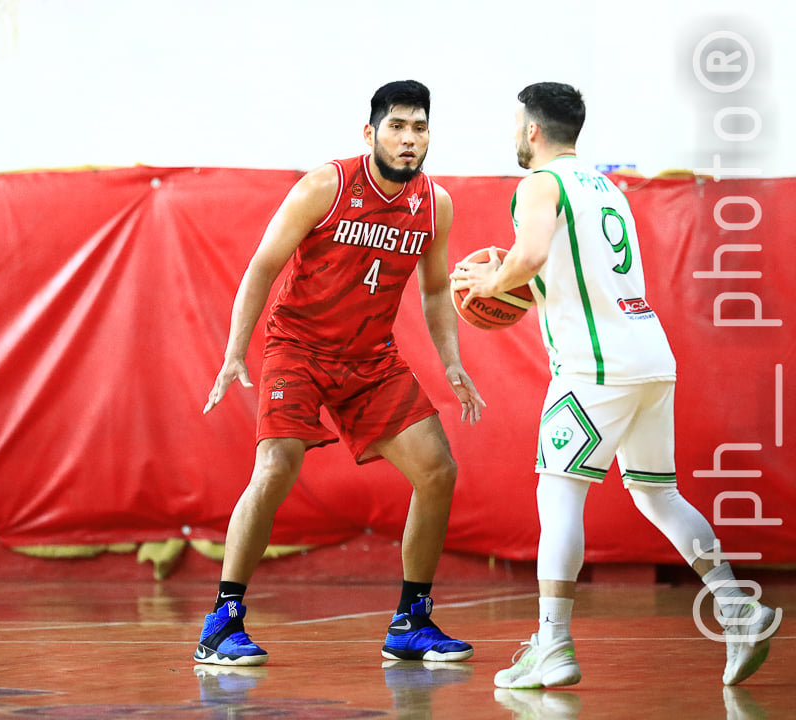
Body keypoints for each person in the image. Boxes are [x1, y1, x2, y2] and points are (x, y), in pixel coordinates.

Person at [450, 82, 781, 688]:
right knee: (658, 494)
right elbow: (566, 268)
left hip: (593, 366)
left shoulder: (539, 185)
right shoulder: (608, 188)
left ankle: (552, 643)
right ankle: (737, 608)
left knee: (559, 496)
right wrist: (510, 269)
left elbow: (527, 259)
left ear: (531, 130)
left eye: (515, 124)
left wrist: (486, 283)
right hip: (651, 356)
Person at [194, 80, 485, 667]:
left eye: (419, 128)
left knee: (437, 471)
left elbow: (434, 292)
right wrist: (234, 353)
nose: (409, 139)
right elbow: (261, 269)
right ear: (370, 132)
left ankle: (411, 621)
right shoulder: (324, 186)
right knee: (277, 465)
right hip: (298, 348)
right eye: (397, 127)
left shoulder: (435, 204)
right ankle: (222, 623)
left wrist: (452, 360)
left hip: (370, 358)